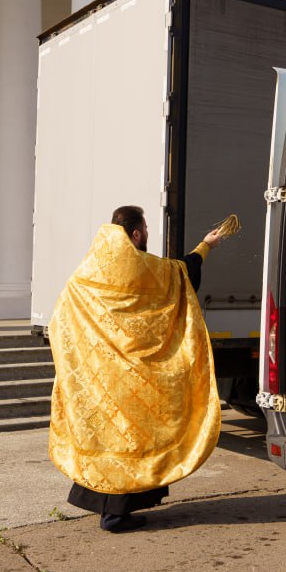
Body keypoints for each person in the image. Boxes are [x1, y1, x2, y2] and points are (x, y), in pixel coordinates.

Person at [49, 205, 224, 533]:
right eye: (145, 229)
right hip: (133, 380)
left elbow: (61, 317)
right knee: (132, 442)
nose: (146, 235)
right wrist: (206, 246)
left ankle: (106, 507)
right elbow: (181, 272)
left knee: (106, 441)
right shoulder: (143, 266)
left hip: (100, 376)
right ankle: (116, 514)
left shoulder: (89, 269)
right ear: (136, 233)